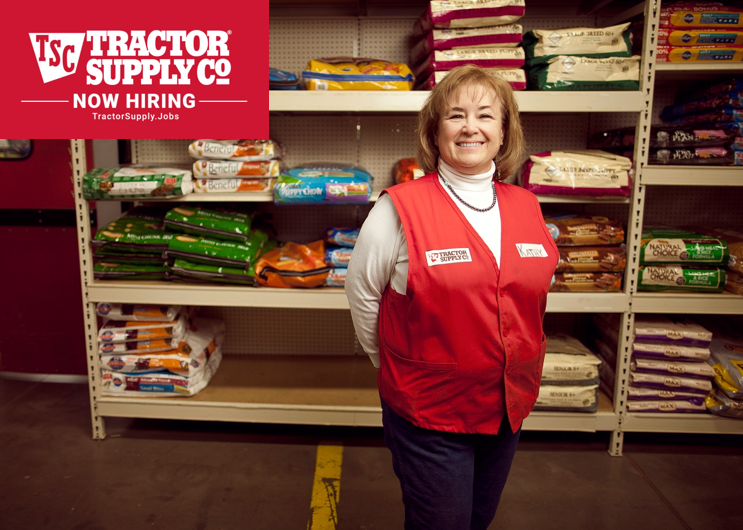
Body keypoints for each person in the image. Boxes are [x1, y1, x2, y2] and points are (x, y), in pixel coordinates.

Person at [345, 64, 558, 530]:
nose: (470, 127)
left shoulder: (526, 205)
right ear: (434, 130)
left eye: (485, 115)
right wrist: (391, 364)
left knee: (478, 520)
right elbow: (362, 293)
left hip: (508, 407)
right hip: (429, 412)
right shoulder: (399, 208)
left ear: (504, 131)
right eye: (455, 115)